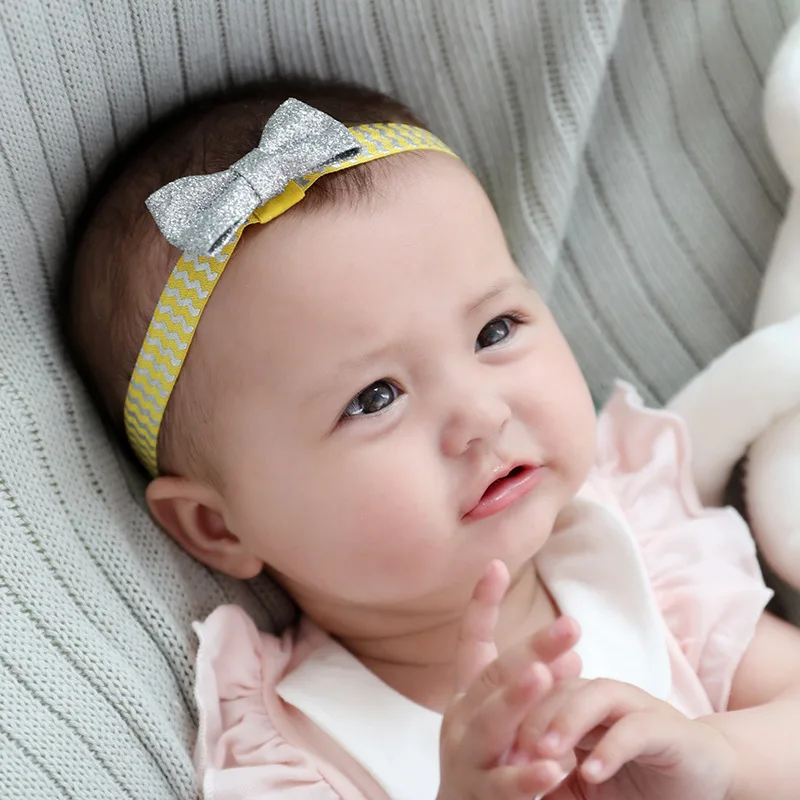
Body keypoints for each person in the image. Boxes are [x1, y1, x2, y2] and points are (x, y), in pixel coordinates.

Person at [64, 79, 800, 800]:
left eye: (495, 331)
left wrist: (724, 761)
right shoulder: (302, 746)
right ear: (218, 526)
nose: (480, 414)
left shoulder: (638, 554)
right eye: (374, 398)